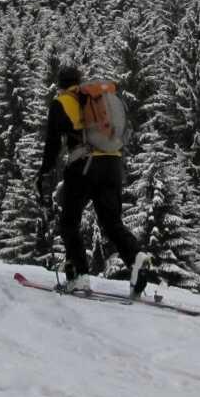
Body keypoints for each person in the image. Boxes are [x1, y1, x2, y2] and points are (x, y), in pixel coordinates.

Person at [38, 64, 155, 297]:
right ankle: (136, 258)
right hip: (113, 163)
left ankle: (79, 276)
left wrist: (43, 174)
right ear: (79, 81)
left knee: (70, 222)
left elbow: (52, 145)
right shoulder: (100, 100)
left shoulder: (62, 102)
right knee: (112, 222)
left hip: (83, 165)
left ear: (60, 85)